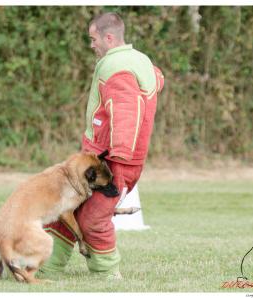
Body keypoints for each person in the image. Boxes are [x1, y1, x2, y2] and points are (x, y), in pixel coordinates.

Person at [41, 12, 164, 279]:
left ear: (109, 37)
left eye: (93, 39)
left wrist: (118, 153)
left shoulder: (117, 68)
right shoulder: (139, 61)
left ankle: (108, 274)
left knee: (93, 219)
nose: (91, 45)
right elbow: (157, 81)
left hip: (114, 161)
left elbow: (126, 110)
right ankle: (47, 267)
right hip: (99, 158)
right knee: (66, 208)